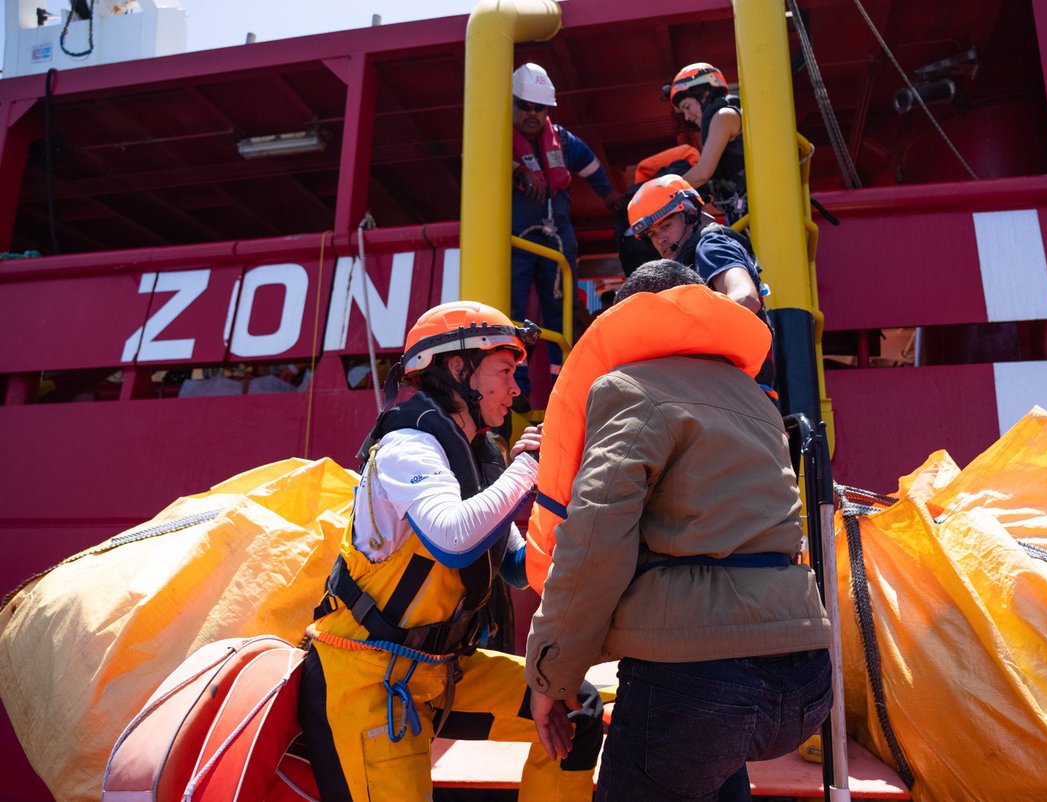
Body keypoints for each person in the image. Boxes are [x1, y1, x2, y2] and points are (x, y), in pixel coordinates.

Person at [524, 260, 833, 801]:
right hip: (804, 677)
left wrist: (551, 677)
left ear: (630, 318)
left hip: (699, 687)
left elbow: (594, 545)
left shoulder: (630, 389)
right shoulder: (754, 399)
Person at [299, 300, 603, 802]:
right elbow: (453, 538)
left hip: (440, 673)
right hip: (367, 682)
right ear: (458, 368)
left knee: (577, 707)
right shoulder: (406, 447)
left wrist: (564, 499)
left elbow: (519, 570)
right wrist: (526, 470)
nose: (516, 389)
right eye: (505, 371)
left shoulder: (477, 460)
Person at [511, 62, 624, 390]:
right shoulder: (496, 139)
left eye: (539, 108)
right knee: (512, 311)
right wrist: (518, 171)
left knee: (560, 317)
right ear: (512, 105)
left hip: (558, 240)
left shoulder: (562, 140)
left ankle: (564, 388)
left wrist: (609, 198)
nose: (532, 113)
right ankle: (515, 384)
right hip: (517, 243)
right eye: (524, 106)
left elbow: (591, 167)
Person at [626, 173, 775, 391]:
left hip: (738, 394)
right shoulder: (689, 259)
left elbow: (746, 298)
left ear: (690, 214)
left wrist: (680, 337)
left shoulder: (710, 246)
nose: (661, 239)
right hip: (732, 392)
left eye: (666, 225)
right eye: (653, 234)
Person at [668, 62, 748, 223]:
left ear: (703, 93)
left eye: (687, 106)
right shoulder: (721, 117)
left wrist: (665, 194)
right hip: (742, 211)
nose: (687, 117)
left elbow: (703, 173)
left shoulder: (724, 115)